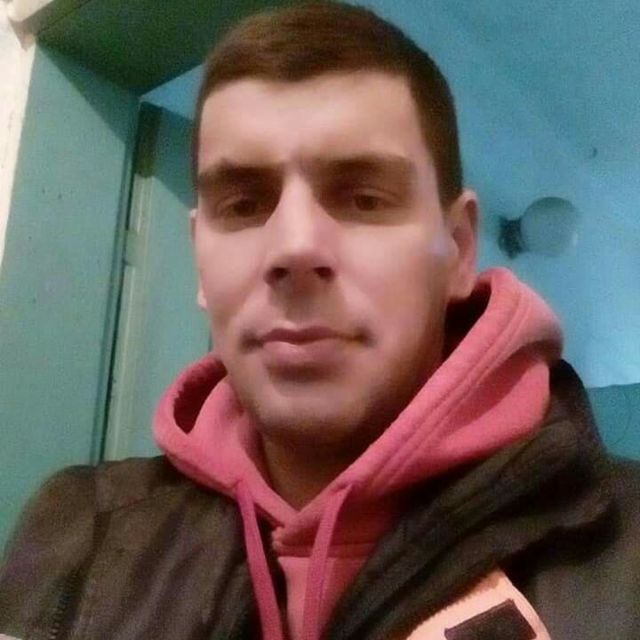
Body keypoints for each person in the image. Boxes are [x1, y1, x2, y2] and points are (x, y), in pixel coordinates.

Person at [1, 2, 639, 638]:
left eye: (363, 198)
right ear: (199, 259)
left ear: (457, 250)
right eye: (243, 204)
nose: (294, 247)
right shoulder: (79, 536)